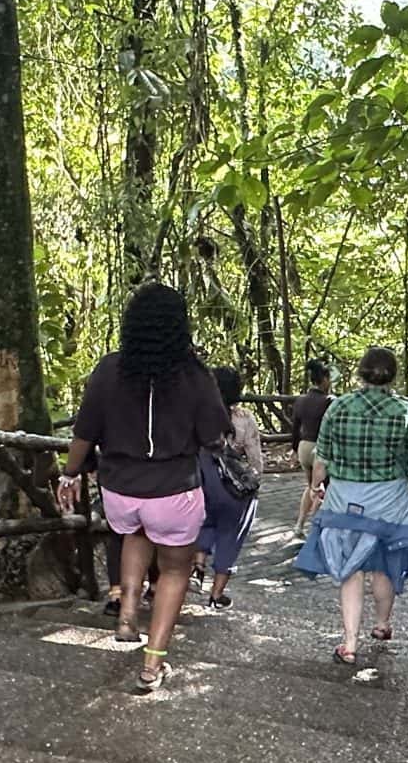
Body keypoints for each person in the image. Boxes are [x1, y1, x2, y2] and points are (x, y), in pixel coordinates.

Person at [56, 284, 230, 693]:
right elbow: (213, 436)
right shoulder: (194, 374)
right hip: (173, 492)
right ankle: (152, 663)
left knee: (135, 532)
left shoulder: (109, 369)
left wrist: (69, 473)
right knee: (175, 570)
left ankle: (127, 615)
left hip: (120, 491)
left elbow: (84, 431)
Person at [296, 347, 408, 667]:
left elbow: (322, 458)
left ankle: (349, 644)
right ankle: (381, 624)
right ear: (393, 376)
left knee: (351, 570)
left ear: (360, 373)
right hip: (389, 505)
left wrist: (316, 486)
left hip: (344, 502)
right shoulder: (405, 412)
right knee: (383, 566)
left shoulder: (339, 406)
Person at [194, 366, 264, 609]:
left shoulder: (198, 413)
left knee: (205, 522)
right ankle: (216, 594)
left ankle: (197, 567)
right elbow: (255, 461)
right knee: (231, 534)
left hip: (202, 480)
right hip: (232, 488)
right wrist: (254, 480)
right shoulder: (244, 418)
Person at [291, 359, 335, 531]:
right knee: (327, 488)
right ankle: (316, 526)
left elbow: (295, 428)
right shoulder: (329, 401)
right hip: (320, 449)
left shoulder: (300, 400)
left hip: (303, 447)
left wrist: (295, 449)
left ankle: (300, 524)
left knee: (312, 487)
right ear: (324, 379)